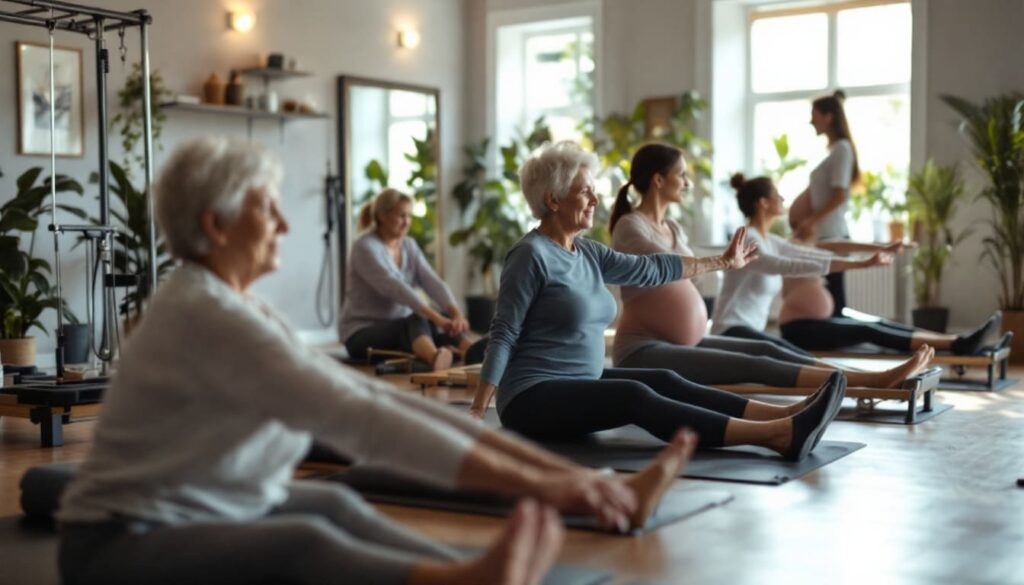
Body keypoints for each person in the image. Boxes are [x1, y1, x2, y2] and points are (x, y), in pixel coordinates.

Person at [57, 137, 699, 585]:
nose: (283, 223)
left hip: (214, 508)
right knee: (306, 541)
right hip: (121, 543)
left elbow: (381, 402)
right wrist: (555, 484)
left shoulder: (236, 304)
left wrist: (572, 482)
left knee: (337, 507)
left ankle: (471, 575)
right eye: (265, 206)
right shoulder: (208, 315)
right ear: (216, 225)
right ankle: (466, 583)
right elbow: (359, 413)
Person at [469, 141, 845, 463]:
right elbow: (503, 333)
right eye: (584, 191)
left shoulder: (587, 253)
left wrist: (722, 261)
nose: (595, 199)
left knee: (665, 379)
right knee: (633, 395)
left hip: (580, 380)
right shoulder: (529, 255)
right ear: (552, 199)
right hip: (531, 398)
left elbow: (652, 269)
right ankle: (776, 436)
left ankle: (786, 414)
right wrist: (476, 411)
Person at [610, 144, 932, 389]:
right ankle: (867, 383)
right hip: (644, 348)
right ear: (657, 180)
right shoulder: (630, 226)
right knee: (753, 363)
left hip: (681, 340)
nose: (687, 182)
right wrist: (720, 262)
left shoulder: (675, 229)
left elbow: (805, 254)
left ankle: (865, 377)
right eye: (681, 175)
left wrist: (863, 261)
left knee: (765, 347)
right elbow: (665, 268)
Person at [718, 172, 999, 356]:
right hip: (732, 330)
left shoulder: (770, 238)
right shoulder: (748, 238)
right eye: (777, 195)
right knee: (801, 355)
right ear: (763, 203)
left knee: (871, 327)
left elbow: (812, 255)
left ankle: (959, 344)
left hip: (752, 331)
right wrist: (860, 264)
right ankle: (955, 345)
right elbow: (786, 265)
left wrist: (869, 256)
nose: (783, 199)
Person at [338, 188, 472, 371]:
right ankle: (434, 358)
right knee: (417, 320)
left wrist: (456, 314)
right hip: (361, 333)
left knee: (437, 322)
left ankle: (473, 352)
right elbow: (394, 287)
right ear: (382, 216)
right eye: (401, 216)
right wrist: (436, 318)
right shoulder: (364, 247)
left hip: (403, 327)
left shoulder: (408, 245)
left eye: (409, 216)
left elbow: (431, 281)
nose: (407, 222)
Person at [789, 90, 859, 316]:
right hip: (824, 235)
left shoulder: (842, 150)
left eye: (814, 115)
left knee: (835, 303)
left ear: (828, 117)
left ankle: (840, 348)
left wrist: (811, 221)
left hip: (832, 235)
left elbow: (840, 195)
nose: (811, 121)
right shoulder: (834, 152)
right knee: (831, 300)